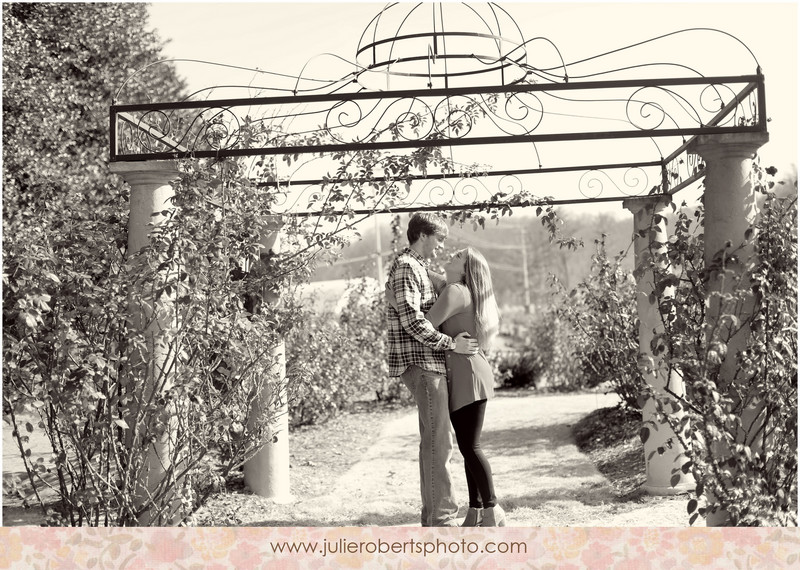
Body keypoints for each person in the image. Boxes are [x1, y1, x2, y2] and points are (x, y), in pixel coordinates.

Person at [389, 246, 505, 527]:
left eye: (457, 258)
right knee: (468, 446)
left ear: (465, 270)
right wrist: (408, 263)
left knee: (470, 446)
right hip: (469, 371)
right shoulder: (459, 290)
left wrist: (396, 303)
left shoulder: (455, 292)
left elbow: (425, 324)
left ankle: (493, 508)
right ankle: (476, 510)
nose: (450, 256)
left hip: (466, 374)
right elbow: (434, 277)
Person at [385, 213, 479, 527]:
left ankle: (433, 515)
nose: (441, 246)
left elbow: (452, 284)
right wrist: (452, 344)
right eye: (439, 239)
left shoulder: (417, 267)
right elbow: (413, 322)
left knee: (434, 441)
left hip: (427, 362)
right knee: (441, 440)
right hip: (423, 363)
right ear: (423, 236)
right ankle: (443, 517)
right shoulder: (408, 267)